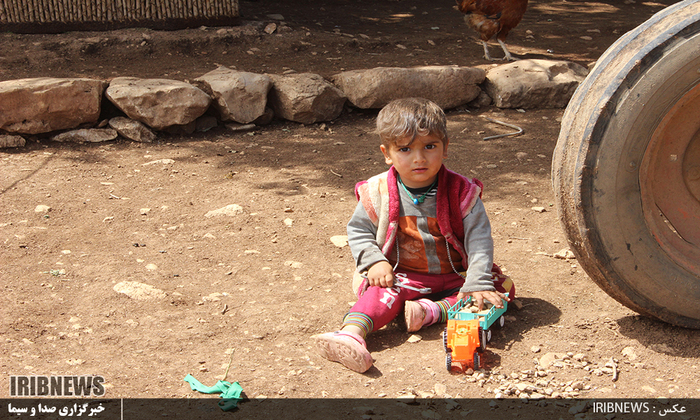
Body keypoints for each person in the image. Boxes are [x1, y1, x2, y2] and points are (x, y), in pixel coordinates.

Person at [311, 98, 514, 373]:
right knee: (382, 291)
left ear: (445, 148)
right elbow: (358, 230)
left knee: (502, 286)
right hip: (405, 275)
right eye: (405, 149)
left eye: (429, 146)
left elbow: (479, 238)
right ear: (387, 153)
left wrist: (477, 281)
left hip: (457, 276)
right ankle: (351, 333)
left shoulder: (462, 192)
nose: (419, 158)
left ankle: (431, 312)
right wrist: (374, 262)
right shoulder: (377, 191)